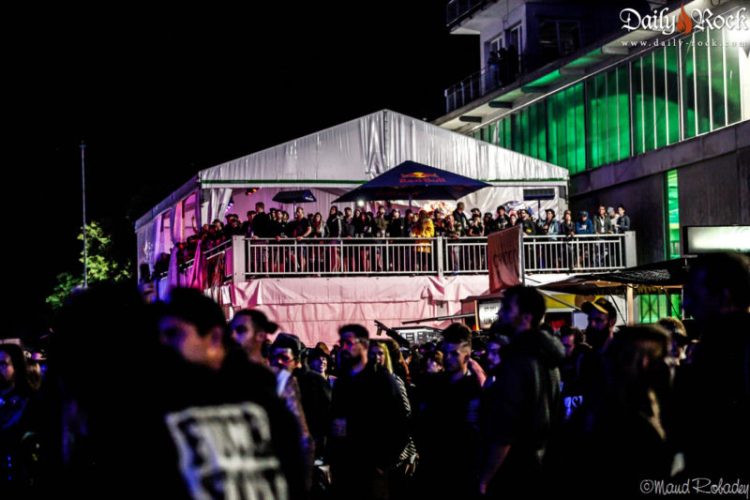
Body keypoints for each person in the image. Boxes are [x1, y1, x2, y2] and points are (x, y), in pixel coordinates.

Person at [478, 286, 564, 498]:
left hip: (516, 470)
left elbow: (506, 427)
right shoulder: (548, 357)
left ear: (526, 317)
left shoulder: (518, 360)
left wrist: (485, 478)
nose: (500, 313)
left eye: (507, 308)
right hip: (541, 465)